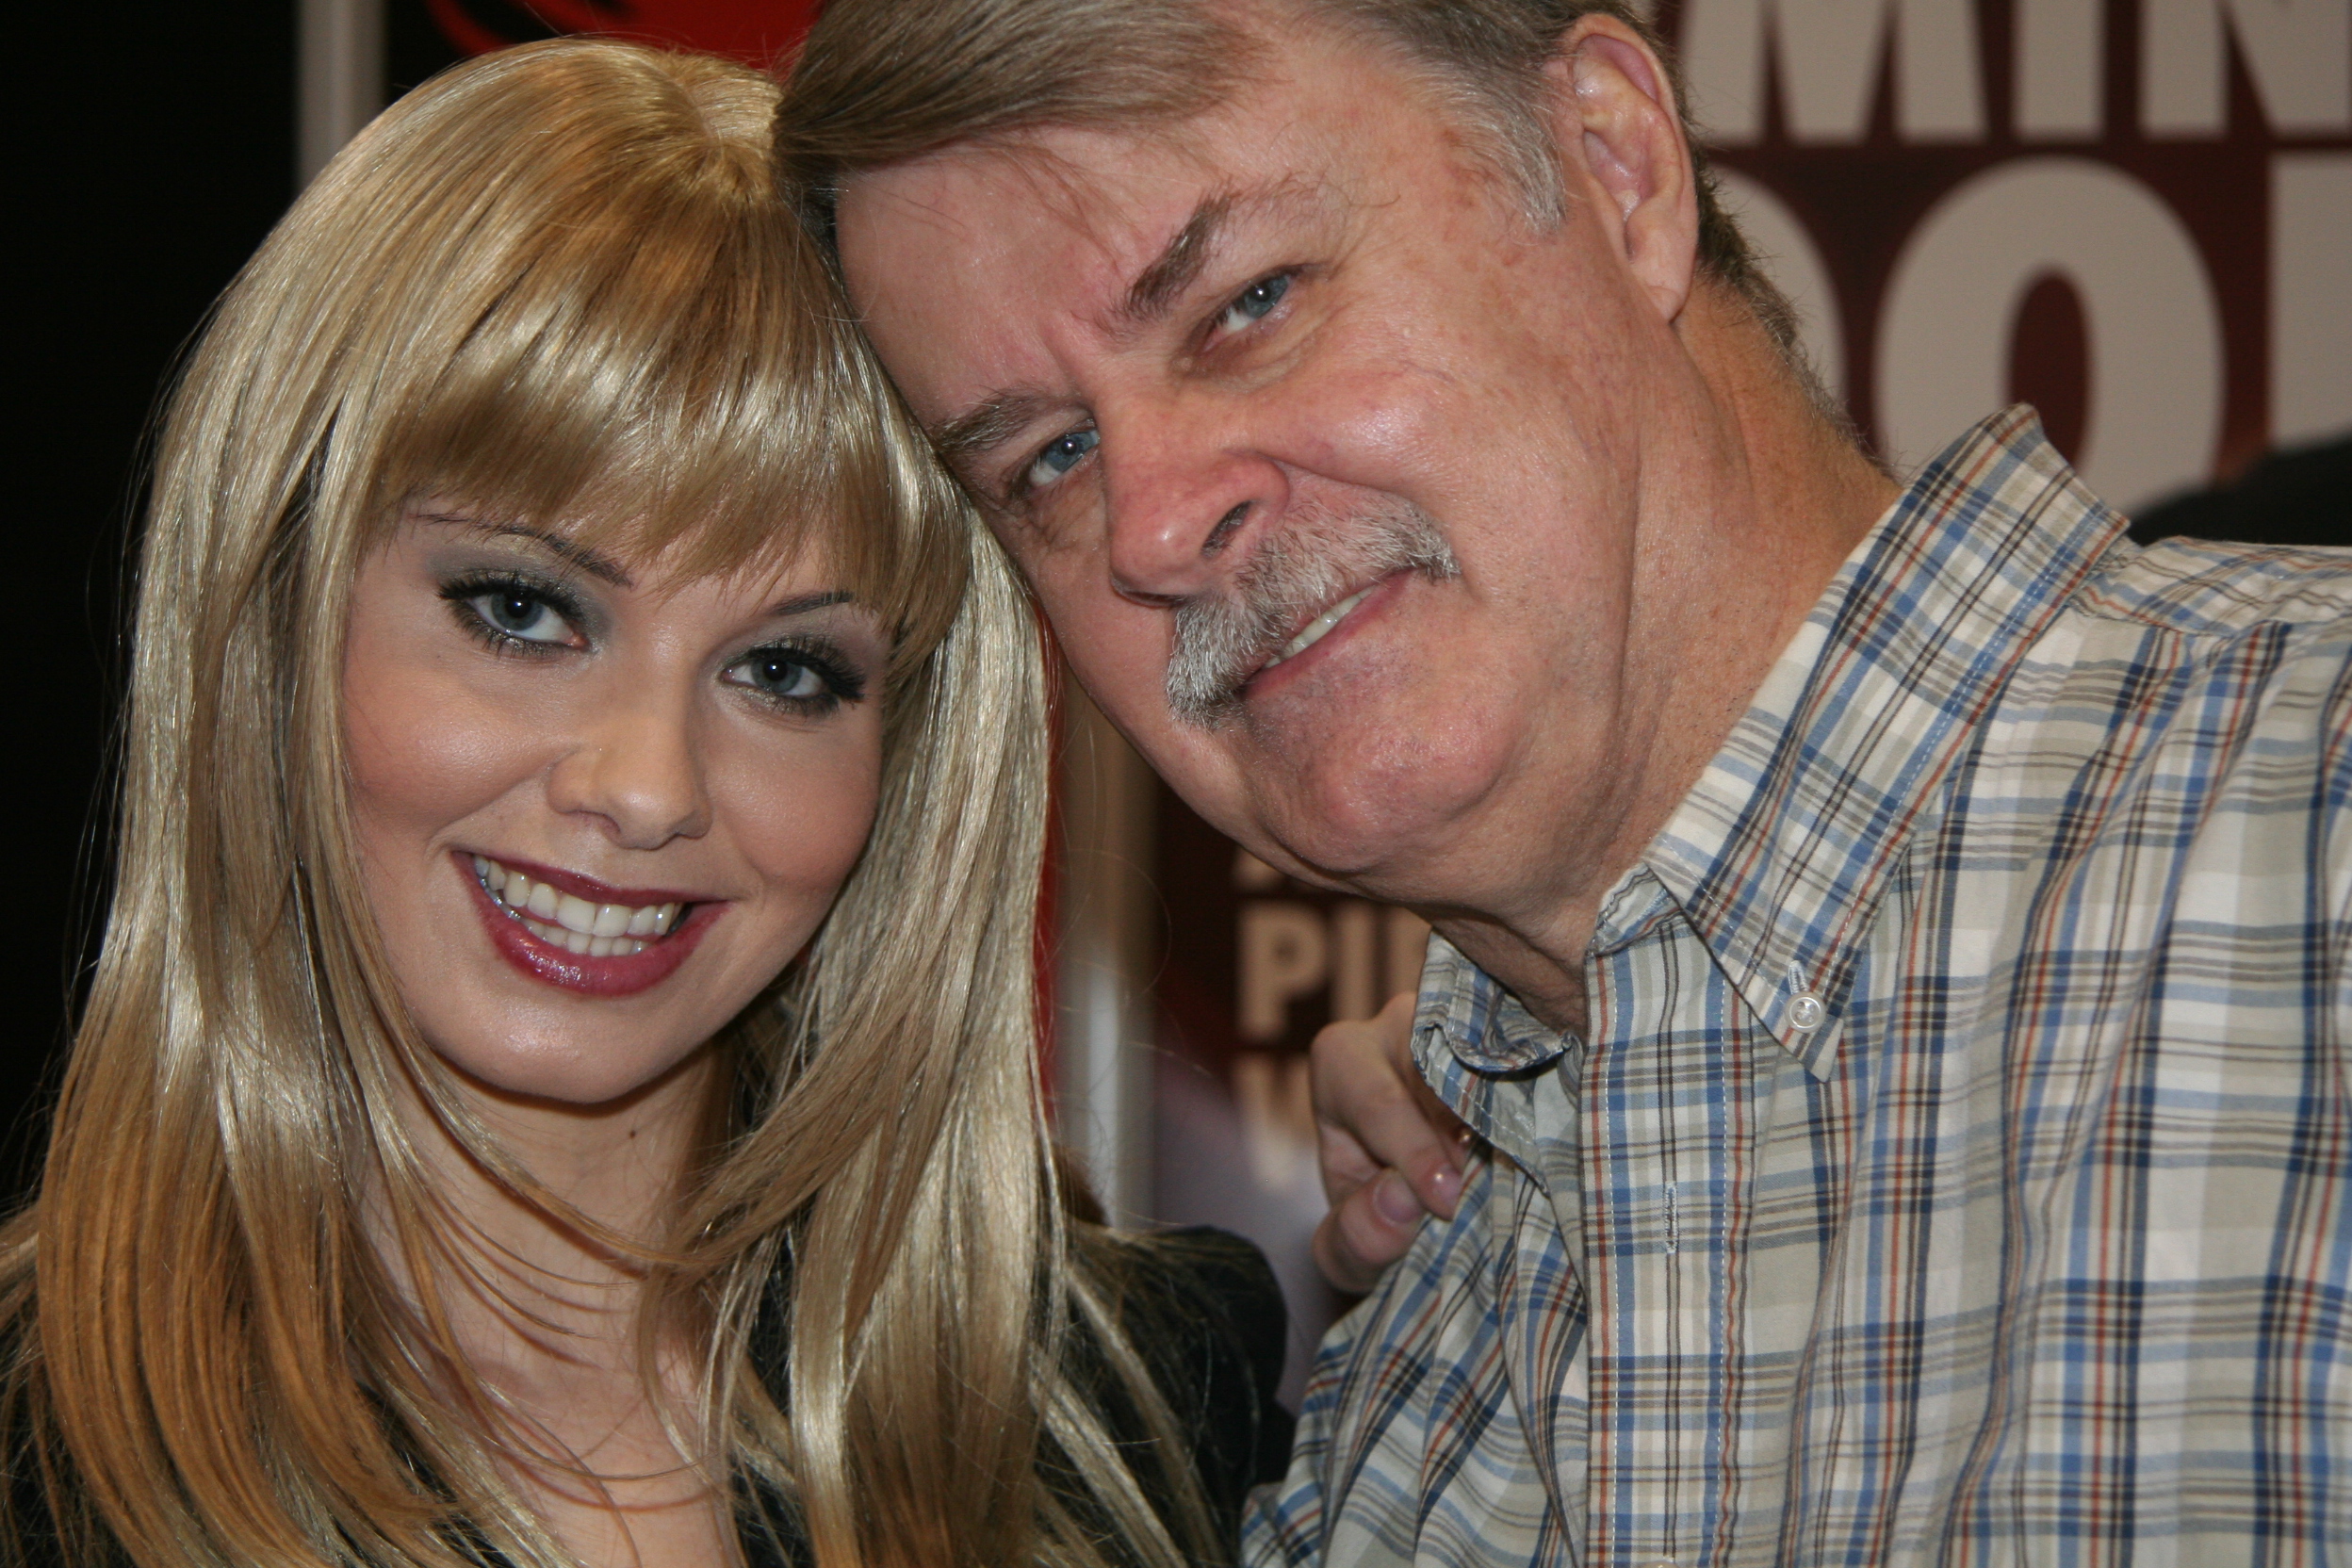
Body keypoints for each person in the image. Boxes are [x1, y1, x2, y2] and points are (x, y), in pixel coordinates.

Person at [774, 0, 2352, 1560]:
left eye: (1250, 303)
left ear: (1616, 167)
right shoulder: (1392, 1414)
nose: (1155, 524)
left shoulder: (2315, 809)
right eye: (1049, 459)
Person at [1, 39, 1291, 1568]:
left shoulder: (1130, 1413)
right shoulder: (34, 1463)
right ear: (277, 609)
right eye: (524, 611)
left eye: (787, 672)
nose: (645, 786)